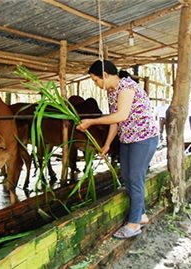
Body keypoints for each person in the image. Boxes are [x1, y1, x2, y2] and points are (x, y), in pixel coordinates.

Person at [77, 60, 158, 239]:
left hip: (144, 138)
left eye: (96, 80)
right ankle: (141, 214)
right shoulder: (112, 92)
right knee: (127, 177)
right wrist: (106, 144)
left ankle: (134, 223)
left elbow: (122, 115)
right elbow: (115, 121)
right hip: (128, 138)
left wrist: (92, 121)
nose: (97, 85)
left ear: (105, 76)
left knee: (136, 177)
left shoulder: (127, 86)